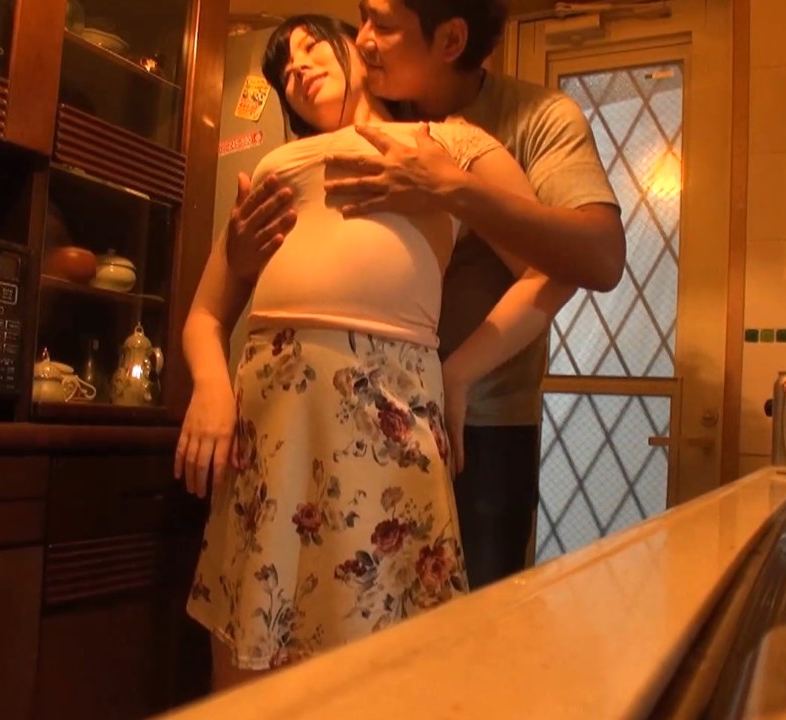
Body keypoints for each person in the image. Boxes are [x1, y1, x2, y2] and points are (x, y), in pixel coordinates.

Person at [173, 14, 576, 689]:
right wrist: (211, 388)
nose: (297, 67)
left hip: (388, 429)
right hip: (267, 436)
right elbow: (205, 315)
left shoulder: (447, 143)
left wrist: (459, 372)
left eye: (311, 45)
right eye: (284, 69)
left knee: (388, 664)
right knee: (249, 655)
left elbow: (553, 268)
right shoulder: (275, 165)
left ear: (361, 49)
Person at [221, 0, 626, 590]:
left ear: (451, 41)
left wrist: (450, 189)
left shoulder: (529, 121)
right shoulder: (365, 115)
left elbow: (598, 258)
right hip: (352, 415)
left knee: (471, 615)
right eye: (362, 18)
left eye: (383, 25)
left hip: (479, 423)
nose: (362, 40)